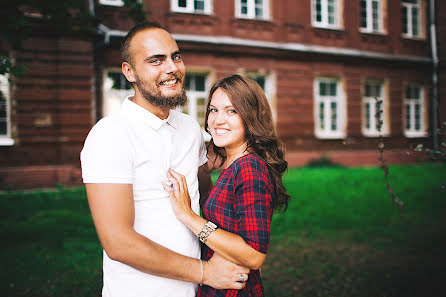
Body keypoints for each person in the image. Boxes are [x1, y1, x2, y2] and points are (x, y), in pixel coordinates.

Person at [80, 22, 250, 297]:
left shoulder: (190, 128)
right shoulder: (110, 135)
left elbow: (208, 205)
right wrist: (206, 272)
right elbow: (118, 242)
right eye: (156, 60)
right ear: (129, 72)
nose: (171, 68)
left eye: (176, 56)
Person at [163, 74, 291, 297]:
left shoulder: (249, 168)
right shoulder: (234, 164)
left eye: (231, 111)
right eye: (213, 110)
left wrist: (188, 217)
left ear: (251, 117)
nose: (218, 120)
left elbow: (254, 254)